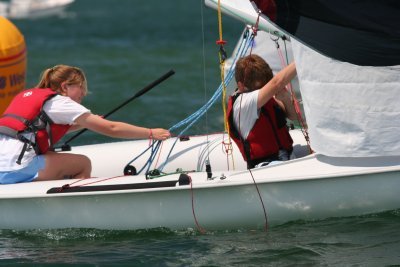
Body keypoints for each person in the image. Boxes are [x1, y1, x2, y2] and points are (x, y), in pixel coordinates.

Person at [0, 65, 171, 184]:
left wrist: (84, 123)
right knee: (83, 163)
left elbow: (36, 130)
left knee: (53, 157)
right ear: (65, 86)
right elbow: (111, 128)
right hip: (16, 168)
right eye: (81, 87)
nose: (84, 93)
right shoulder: (61, 103)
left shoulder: (28, 95)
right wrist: (151, 133)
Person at [227, 54, 297, 169]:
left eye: (265, 86)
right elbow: (276, 83)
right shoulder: (243, 103)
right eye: (260, 87)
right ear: (241, 86)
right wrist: (302, 58)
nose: (265, 91)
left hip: (288, 157)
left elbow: (293, 116)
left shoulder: (262, 99)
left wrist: (285, 98)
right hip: (265, 166)